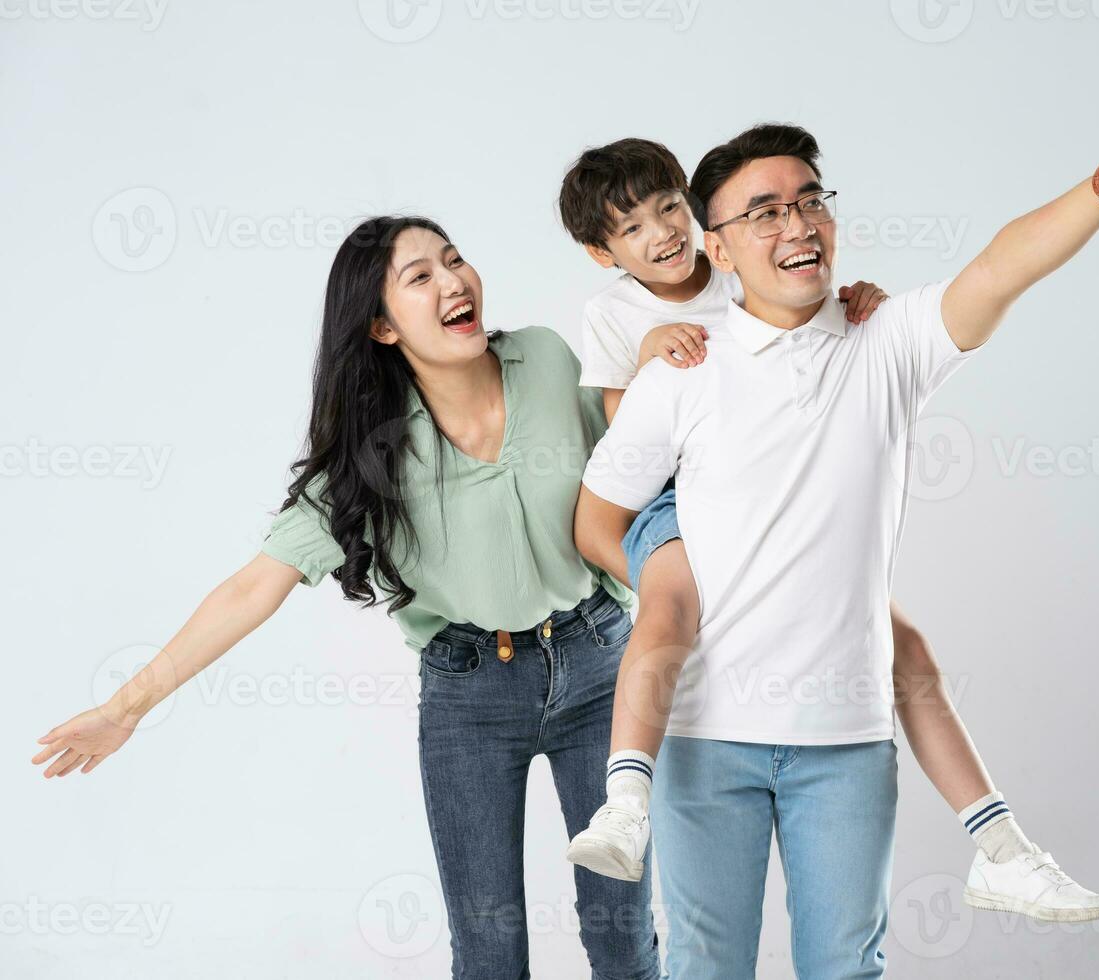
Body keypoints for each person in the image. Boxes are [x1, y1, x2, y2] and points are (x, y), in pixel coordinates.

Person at [575, 121, 1099, 977]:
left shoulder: (888, 339)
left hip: (846, 741)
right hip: (706, 736)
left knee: (847, 968)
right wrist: (680, 584)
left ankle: (1000, 848)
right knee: (705, 967)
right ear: (720, 247)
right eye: (765, 212)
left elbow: (1001, 267)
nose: (797, 225)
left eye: (810, 201)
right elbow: (598, 521)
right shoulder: (681, 370)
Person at [31, 216, 662, 980]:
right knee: (490, 956)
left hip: (599, 667)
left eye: (454, 260)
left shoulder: (549, 359)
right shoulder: (371, 455)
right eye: (420, 277)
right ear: (382, 327)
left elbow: (649, 453)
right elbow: (250, 588)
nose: (454, 281)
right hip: (470, 695)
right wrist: (125, 706)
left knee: (622, 941)